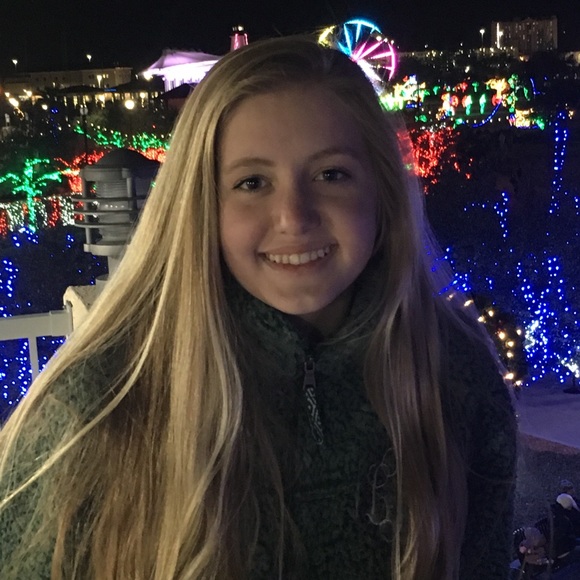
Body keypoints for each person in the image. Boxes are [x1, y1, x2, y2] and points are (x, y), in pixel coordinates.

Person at [0, 36, 517, 579]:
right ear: (201, 204)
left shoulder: (453, 371)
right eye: (252, 182)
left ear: (382, 191)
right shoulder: (100, 404)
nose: (294, 216)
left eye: (331, 174)